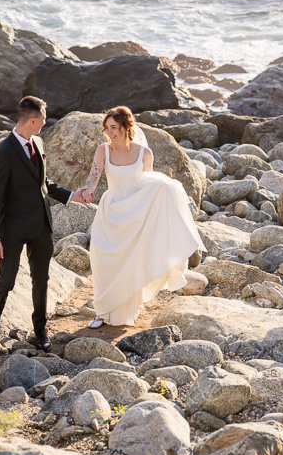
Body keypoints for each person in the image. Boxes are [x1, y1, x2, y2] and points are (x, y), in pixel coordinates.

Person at [0, 95, 87, 361]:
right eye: (44, 119)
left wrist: (72, 195)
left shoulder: (38, 141)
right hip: (12, 230)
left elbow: (43, 184)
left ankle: (40, 330)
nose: (46, 124)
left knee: (42, 280)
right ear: (33, 119)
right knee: (6, 281)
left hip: (40, 226)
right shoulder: (3, 152)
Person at [80, 105, 205, 328]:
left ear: (127, 127)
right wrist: (88, 190)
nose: (110, 132)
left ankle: (128, 307)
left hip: (135, 215)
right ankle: (102, 311)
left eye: (115, 127)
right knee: (103, 260)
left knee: (132, 262)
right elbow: (93, 177)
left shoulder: (144, 153)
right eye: (107, 128)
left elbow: (147, 184)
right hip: (111, 212)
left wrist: (166, 189)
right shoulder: (103, 150)